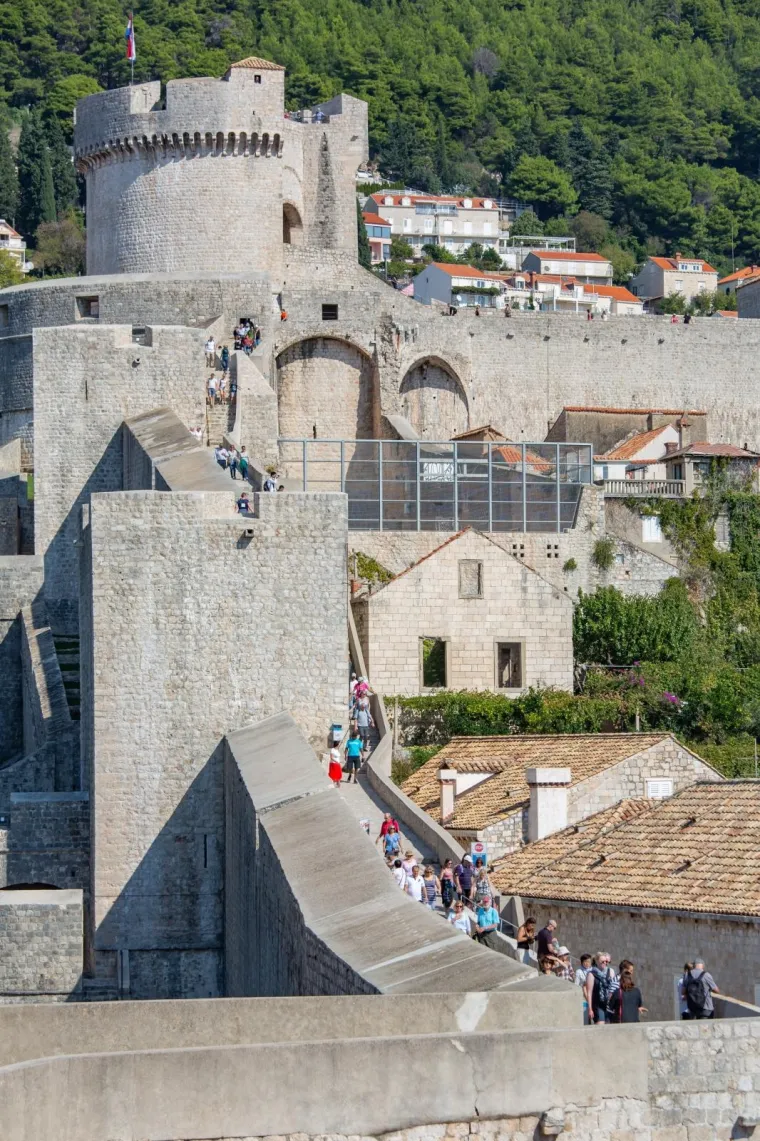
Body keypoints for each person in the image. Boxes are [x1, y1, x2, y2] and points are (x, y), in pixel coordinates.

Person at [585, 952, 617, 1025]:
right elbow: (589, 993)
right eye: (602, 961)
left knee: (609, 1026)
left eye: (606, 961)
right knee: (600, 1024)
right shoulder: (591, 974)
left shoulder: (610, 971)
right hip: (597, 1004)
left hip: (608, 1004)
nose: (605, 963)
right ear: (596, 961)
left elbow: (613, 988)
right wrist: (590, 1009)